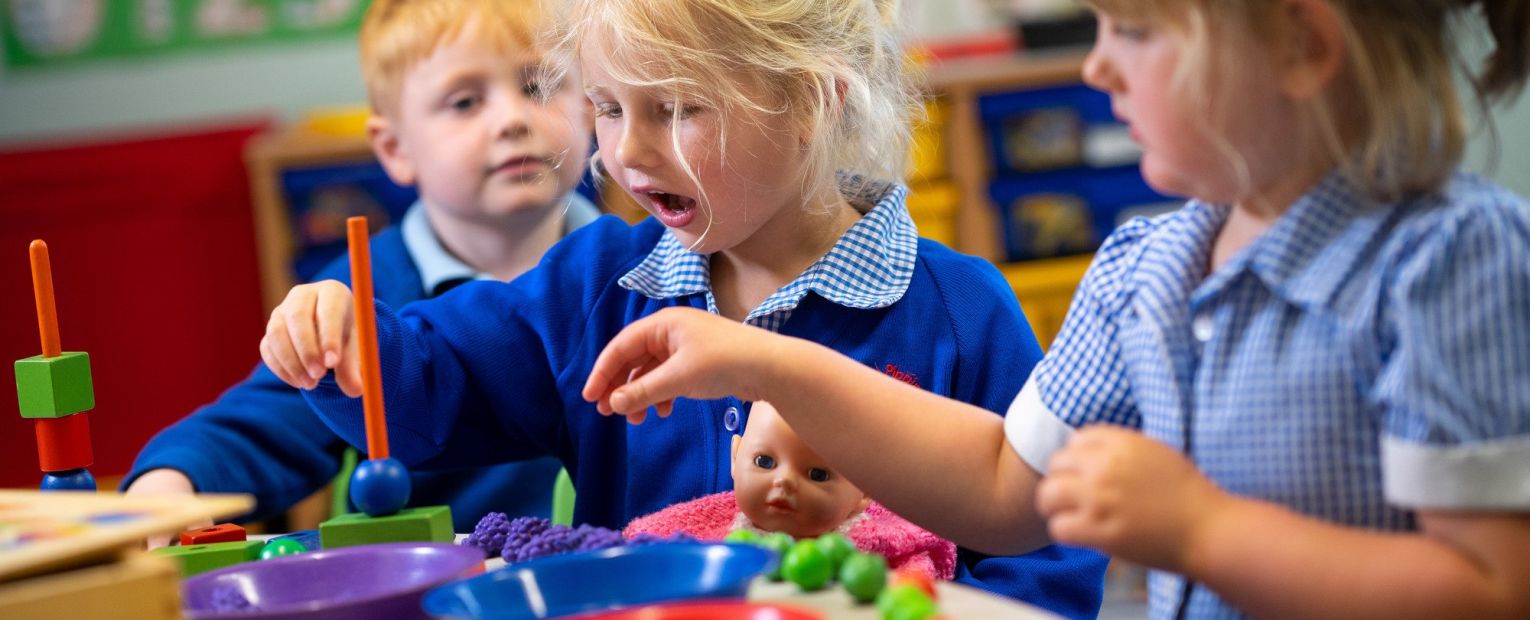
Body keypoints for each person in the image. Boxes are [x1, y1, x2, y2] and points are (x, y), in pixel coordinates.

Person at [582, 0, 1530, 618]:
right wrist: (762, 362)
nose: (1097, 68)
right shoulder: (1148, 268)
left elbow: (1494, 587)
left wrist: (1202, 534)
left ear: (1300, 43)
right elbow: (1004, 483)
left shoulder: (1449, 263)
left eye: (1137, 32)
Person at [258, 0, 1108, 616]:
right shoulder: (598, 284)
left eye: (676, 108)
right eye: (607, 108)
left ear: (815, 101)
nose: (627, 151)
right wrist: (356, 341)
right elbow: (438, 390)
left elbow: (1050, 562)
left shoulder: (959, 310)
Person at [125, 0, 595, 537]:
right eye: (465, 101)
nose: (513, 119)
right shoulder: (361, 293)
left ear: (588, 108)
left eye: (537, 87)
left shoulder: (644, 264)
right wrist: (172, 479)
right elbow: (268, 421)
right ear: (396, 148)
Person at [624, 401, 957, 579]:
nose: (783, 481)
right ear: (736, 457)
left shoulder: (880, 545)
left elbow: (916, 582)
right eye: (765, 462)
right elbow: (646, 543)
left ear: (865, 488)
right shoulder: (708, 526)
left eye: (817, 474)